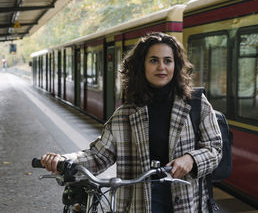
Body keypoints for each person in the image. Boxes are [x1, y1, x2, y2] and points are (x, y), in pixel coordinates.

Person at [41, 32, 222, 213]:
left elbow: (215, 148)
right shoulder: (125, 114)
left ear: (176, 65)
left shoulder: (196, 103)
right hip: (139, 203)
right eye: (153, 60)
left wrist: (191, 159)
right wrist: (64, 161)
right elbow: (98, 156)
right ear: (141, 66)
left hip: (187, 202)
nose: (161, 67)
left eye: (168, 60)